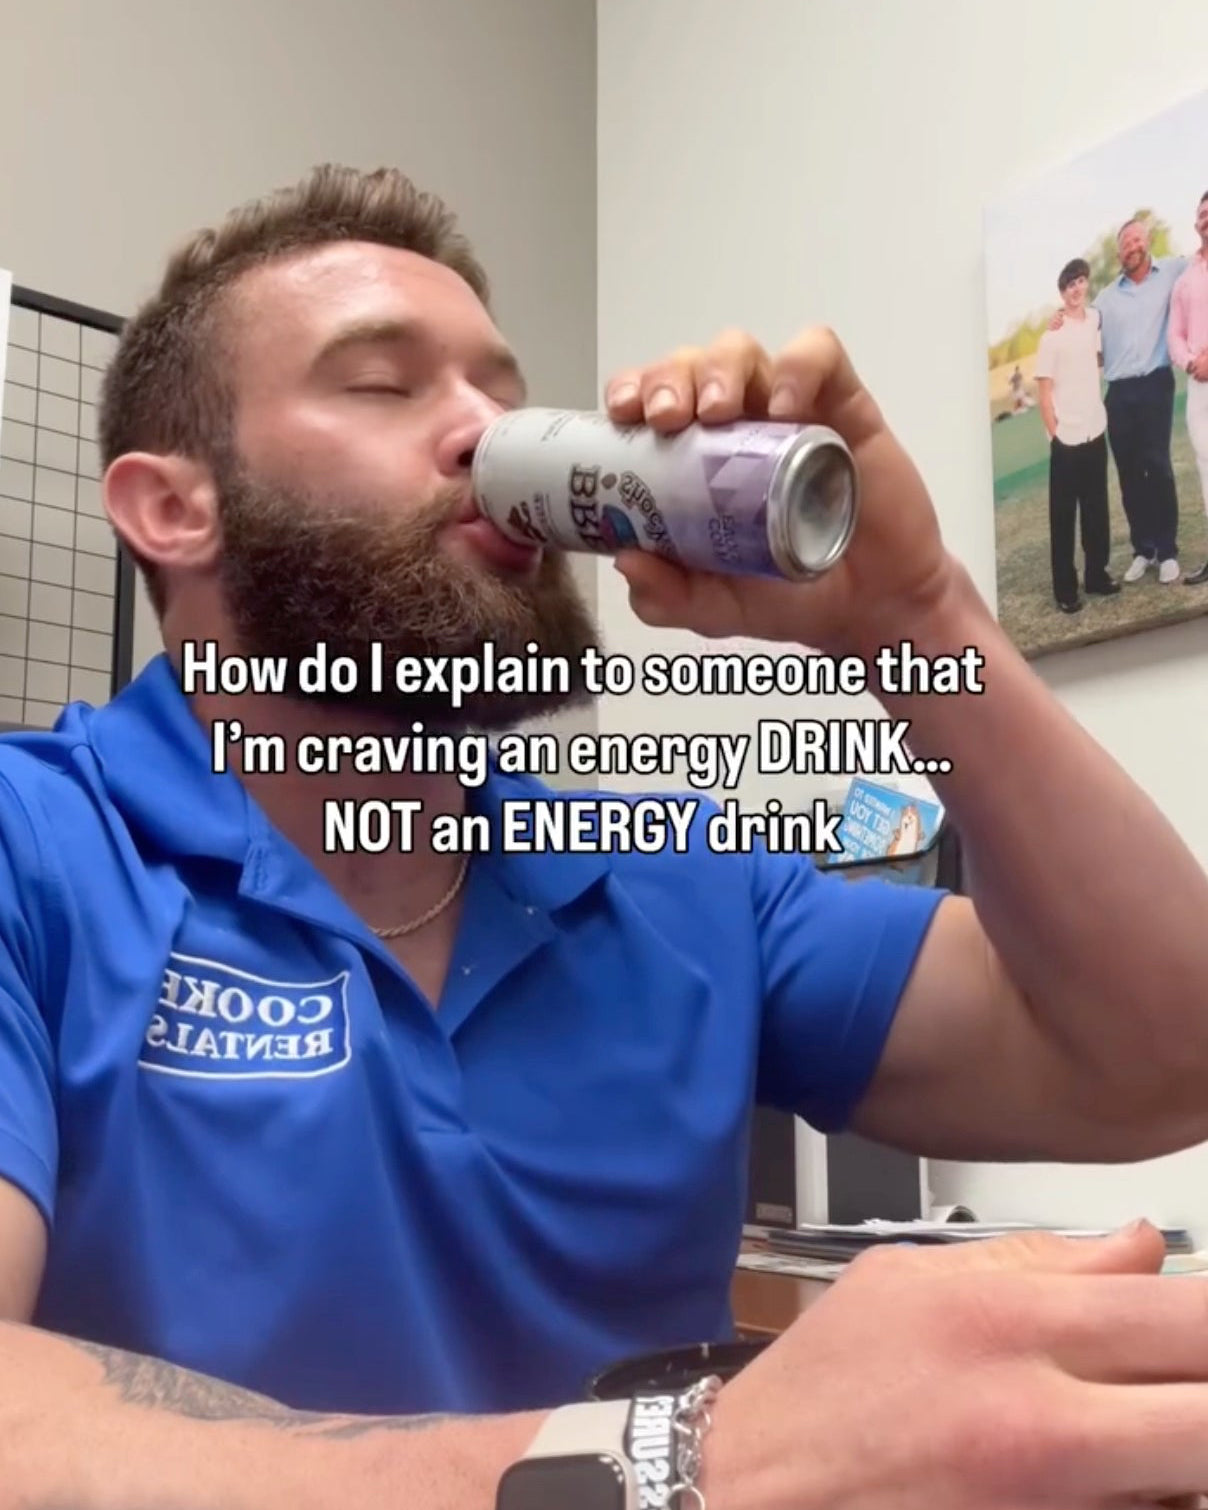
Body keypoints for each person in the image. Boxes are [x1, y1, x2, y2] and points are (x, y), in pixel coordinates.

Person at [5, 164, 1208, 1507]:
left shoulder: (672, 872)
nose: (485, 430)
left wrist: (917, 617)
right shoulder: (36, 850)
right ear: (172, 508)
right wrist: (676, 1466)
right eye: (383, 382)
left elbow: (1162, 1056)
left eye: (501, 394)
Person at [1078, 218, 1186, 583]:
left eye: (1136, 239)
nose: (1131, 247)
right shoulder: (1106, 298)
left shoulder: (1173, 270)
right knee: (1127, 474)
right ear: (1119, 252)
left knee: (1157, 465)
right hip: (1119, 394)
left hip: (1156, 383)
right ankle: (1144, 549)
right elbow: (1083, 335)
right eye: (1124, 243)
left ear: (1148, 241)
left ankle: (1168, 550)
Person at [1034, 257, 1118, 613]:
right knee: (1064, 519)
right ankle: (1066, 591)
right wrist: (1055, 436)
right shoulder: (1050, 337)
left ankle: (1097, 576)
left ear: (1086, 285)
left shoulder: (1096, 320)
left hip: (1095, 431)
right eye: (1069, 285)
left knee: (1097, 511)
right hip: (1066, 441)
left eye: (1081, 282)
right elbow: (1043, 393)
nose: (1076, 289)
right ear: (1062, 291)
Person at [1169, 190, 1208, 585]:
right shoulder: (1185, 280)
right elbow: (1174, 334)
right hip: (1199, 386)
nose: (1205, 219)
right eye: (1201, 213)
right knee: (1206, 464)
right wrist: (1191, 362)